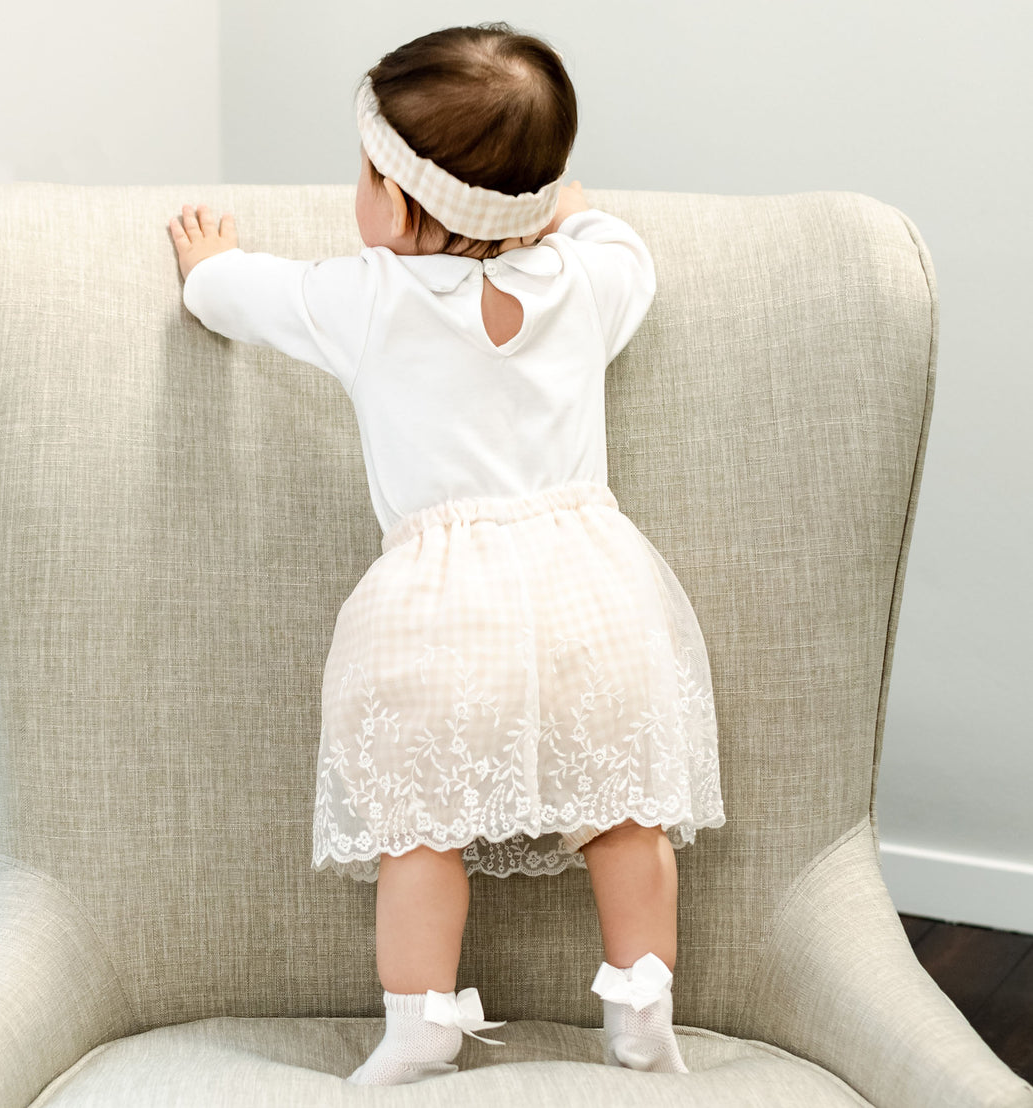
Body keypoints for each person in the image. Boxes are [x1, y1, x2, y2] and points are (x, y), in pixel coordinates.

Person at [169, 22, 724, 1087]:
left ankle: (422, 1020)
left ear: (406, 203)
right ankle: (644, 1006)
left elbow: (234, 296)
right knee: (623, 818)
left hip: (437, 616)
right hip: (593, 601)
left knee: (419, 832)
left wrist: (205, 263)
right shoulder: (585, 281)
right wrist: (545, 201)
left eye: (370, 174)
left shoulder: (365, 299)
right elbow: (619, 242)